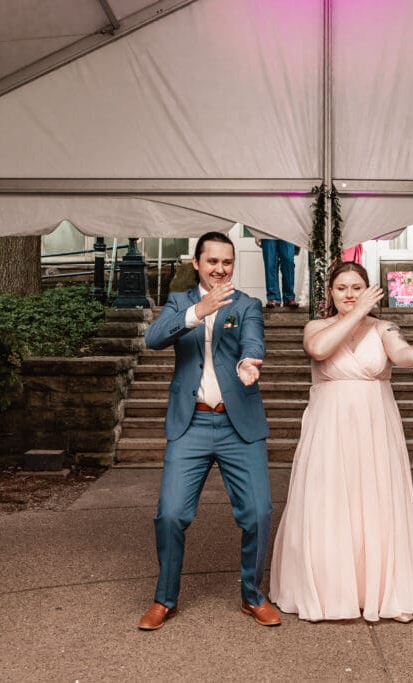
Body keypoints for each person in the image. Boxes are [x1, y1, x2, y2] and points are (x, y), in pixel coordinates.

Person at [269, 261, 413, 623]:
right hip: (329, 427)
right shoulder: (316, 327)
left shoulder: (383, 328)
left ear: (367, 289)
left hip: (374, 426)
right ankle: (331, 593)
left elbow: (399, 351)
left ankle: (383, 594)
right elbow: (319, 350)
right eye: (342, 288)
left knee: (376, 499)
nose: (349, 294)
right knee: (329, 500)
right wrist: (356, 313)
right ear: (330, 293)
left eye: (356, 288)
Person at [138, 231, 281, 631]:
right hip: (191, 424)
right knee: (170, 514)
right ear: (197, 263)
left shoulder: (247, 304)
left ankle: (252, 596)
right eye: (213, 261)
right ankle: (164, 599)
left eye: (227, 262)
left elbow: (253, 341)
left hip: (239, 425)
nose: (220, 269)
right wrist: (198, 311)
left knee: (258, 513)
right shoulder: (178, 302)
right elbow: (153, 338)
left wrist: (249, 362)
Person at [255, 237, 299, 308]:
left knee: (288, 263)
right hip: (267, 231)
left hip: (288, 232)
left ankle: (289, 297)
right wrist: (257, 235)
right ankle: (273, 298)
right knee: (270, 263)